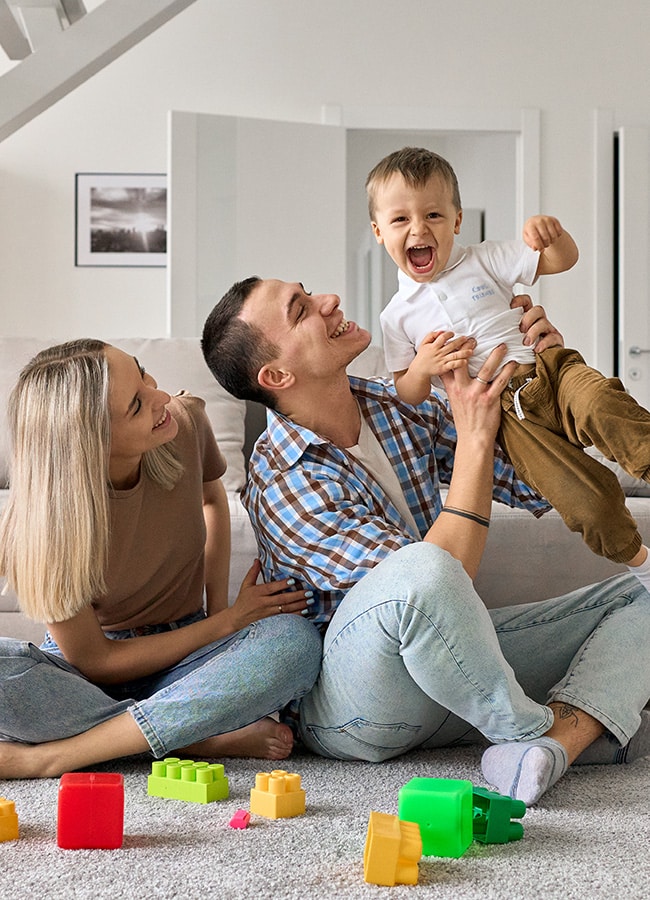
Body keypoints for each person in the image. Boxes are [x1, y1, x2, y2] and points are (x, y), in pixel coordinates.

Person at [201, 277, 650, 806]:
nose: (329, 301)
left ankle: (559, 742)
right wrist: (476, 440)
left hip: (453, 673)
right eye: (302, 310)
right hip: (354, 703)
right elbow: (435, 580)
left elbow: (541, 484)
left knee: (641, 596)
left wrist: (549, 380)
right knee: (421, 569)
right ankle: (530, 731)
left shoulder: (395, 405)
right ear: (276, 374)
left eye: (310, 291)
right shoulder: (283, 479)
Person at [0, 339, 322, 780]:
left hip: (188, 653)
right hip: (88, 678)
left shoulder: (183, 424)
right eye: (136, 405)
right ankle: (192, 734)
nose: (161, 397)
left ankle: (65, 752)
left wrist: (222, 613)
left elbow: (213, 501)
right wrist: (225, 625)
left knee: (294, 643)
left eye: (143, 373)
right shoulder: (40, 529)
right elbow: (97, 662)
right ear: (90, 443)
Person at [367, 146, 650, 590]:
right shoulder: (396, 315)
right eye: (401, 219)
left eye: (434, 215)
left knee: (603, 404)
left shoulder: (485, 258)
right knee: (577, 498)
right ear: (379, 232)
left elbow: (561, 261)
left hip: (550, 370)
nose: (419, 228)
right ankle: (641, 560)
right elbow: (408, 391)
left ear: (457, 221)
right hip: (509, 420)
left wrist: (552, 236)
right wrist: (422, 367)